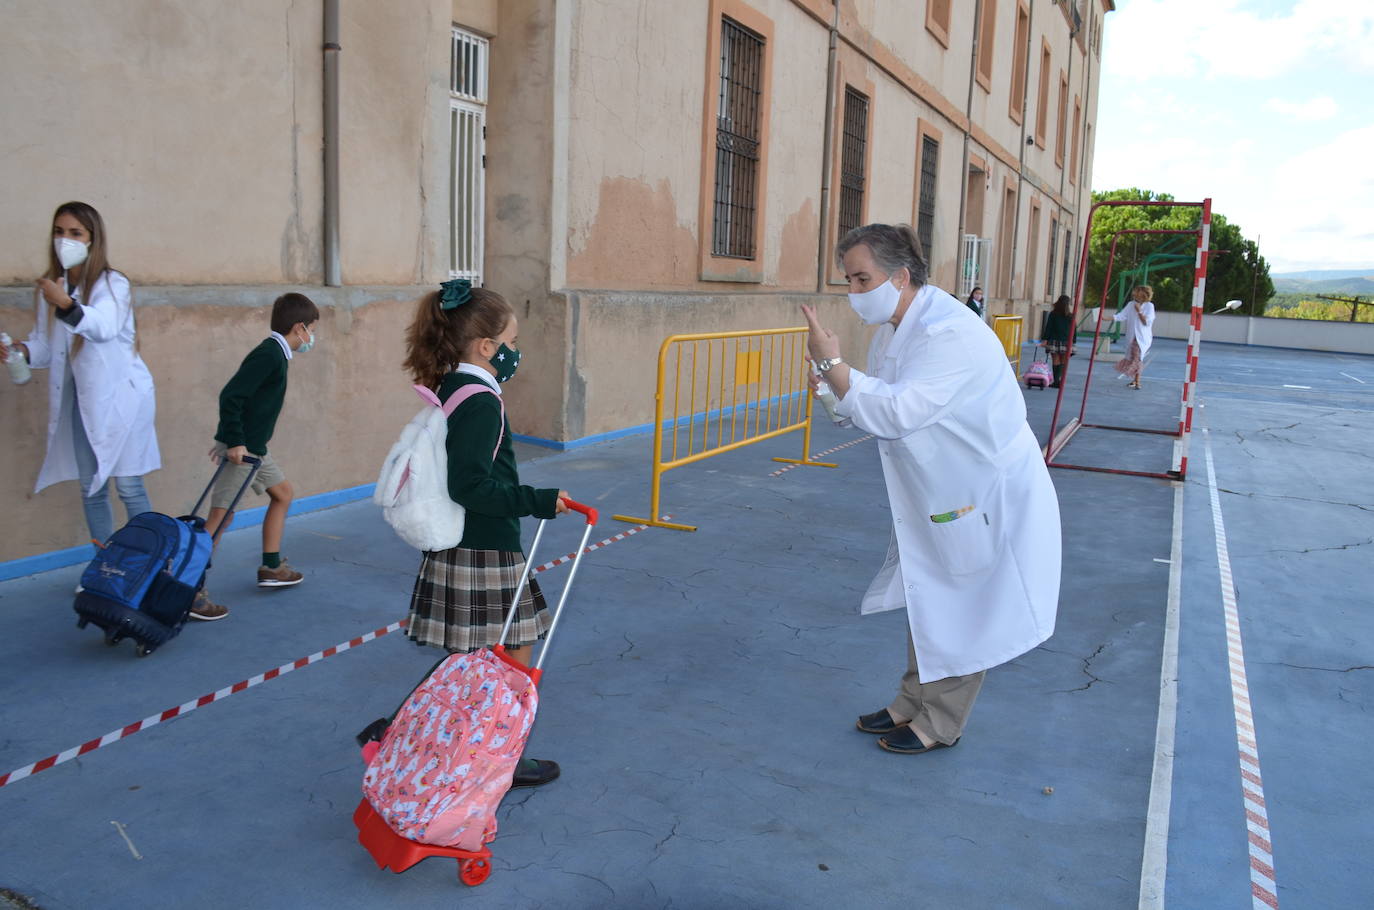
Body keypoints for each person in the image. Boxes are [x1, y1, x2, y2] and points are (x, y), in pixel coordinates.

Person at [801, 223, 1061, 756]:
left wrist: (833, 363)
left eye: (860, 279)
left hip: (979, 490)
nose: (852, 293)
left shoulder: (950, 333)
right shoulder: (894, 332)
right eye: (848, 280)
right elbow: (868, 408)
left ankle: (940, 722)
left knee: (961, 607)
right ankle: (910, 700)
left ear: (899, 276)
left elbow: (897, 411)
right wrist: (832, 390)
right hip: (938, 488)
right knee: (929, 596)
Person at [401, 278, 571, 789]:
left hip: (461, 547)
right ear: (485, 347)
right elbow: (472, 484)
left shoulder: (454, 387)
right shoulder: (480, 401)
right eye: (511, 343)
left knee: (471, 664)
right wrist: (537, 500)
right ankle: (500, 756)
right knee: (513, 661)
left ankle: (456, 749)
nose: (515, 352)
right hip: (485, 550)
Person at [1, 202, 159, 552]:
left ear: (92, 239)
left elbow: (102, 327)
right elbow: (46, 345)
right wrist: (21, 351)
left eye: (75, 233)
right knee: (91, 489)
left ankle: (150, 566)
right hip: (80, 401)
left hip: (122, 400)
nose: (65, 240)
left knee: (129, 486)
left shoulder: (112, 283)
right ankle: (104, 566)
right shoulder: (50, 289)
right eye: (59, 231)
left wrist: (67, 305)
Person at [192, 293, 320, 621]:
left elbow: (243, 403)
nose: (312, 338)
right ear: (299, 327)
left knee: (283, 493)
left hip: (257, 448)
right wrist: (232, 442)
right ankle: (189, 587)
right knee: (220, 518)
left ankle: (272, 566)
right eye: (312, 329)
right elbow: (232, 395)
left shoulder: (277, 355)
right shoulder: (268, 355)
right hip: (245, 451)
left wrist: (230, 438)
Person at [1113, 285, 1155, 389]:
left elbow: (1146, 322)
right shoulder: (1131, 304)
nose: (1134, 295)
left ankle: (1137, 382)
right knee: (1134, 358)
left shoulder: (1149, 306)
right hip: (1131, 337)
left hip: (1142, 338)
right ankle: (1135, 381)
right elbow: (1121, 316)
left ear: (1143, 295)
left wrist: (1139, 311)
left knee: (1138, 358)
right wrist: (1108, 318)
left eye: (1137, 293)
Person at [1043, 294, 1074, 388]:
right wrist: (1073, 341)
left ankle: (1056, 381)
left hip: (1054, 340)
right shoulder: (1071, 316)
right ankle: (1061, 381)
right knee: (1064, 361)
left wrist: (1045, 339)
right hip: (1066, 341)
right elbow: (1074, 329)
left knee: (1055, 360)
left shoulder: (1053, 314)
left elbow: (1048, 327)